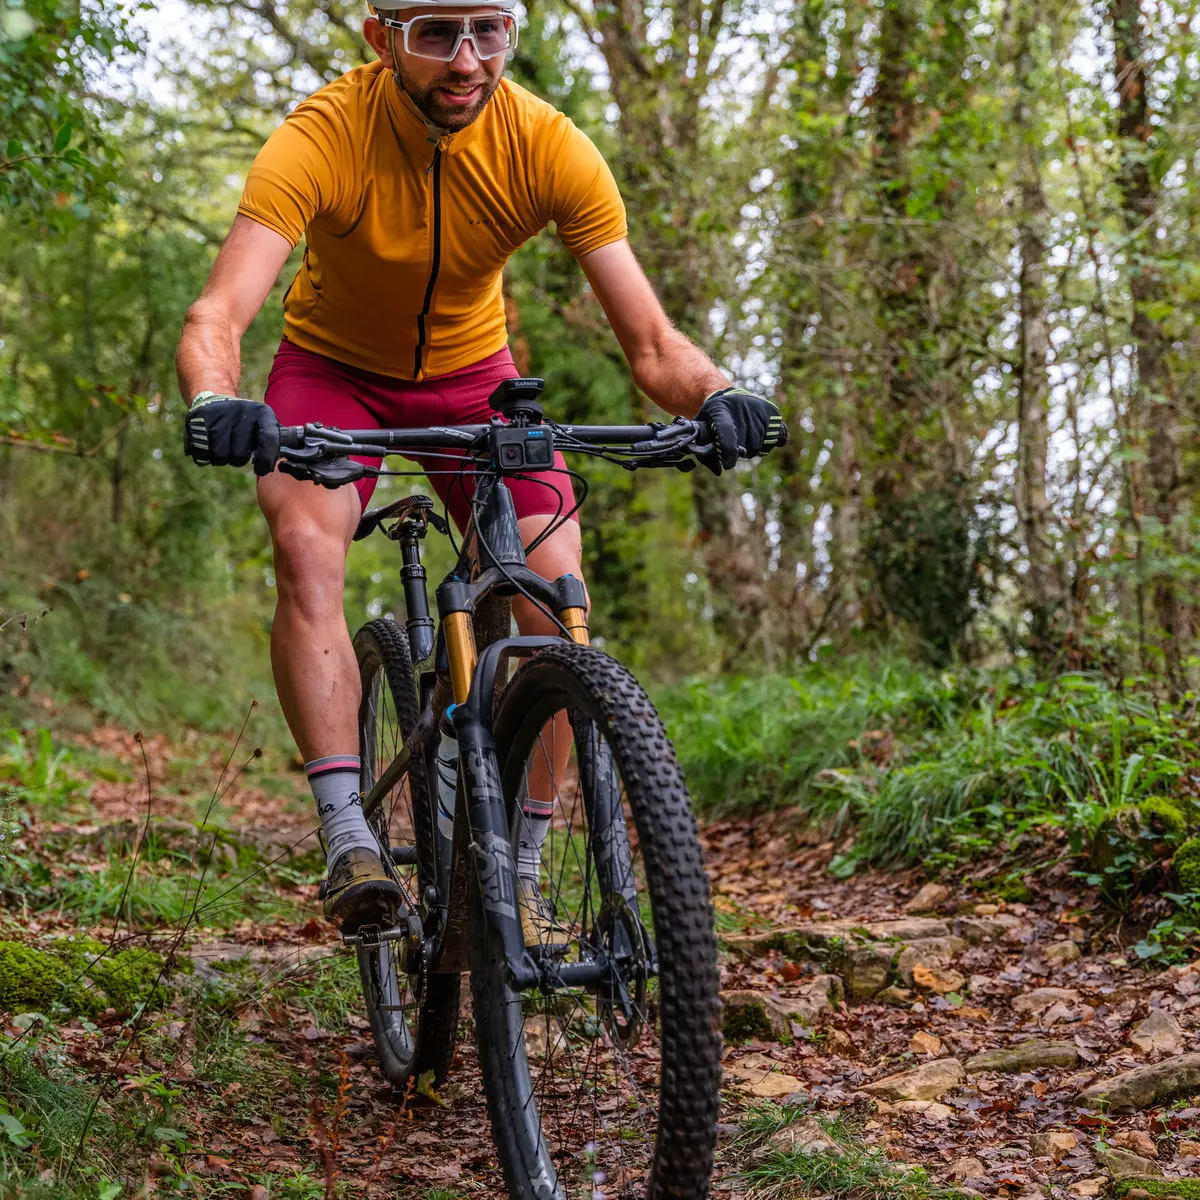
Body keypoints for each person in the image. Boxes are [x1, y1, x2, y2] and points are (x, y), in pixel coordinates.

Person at [174, 0, 783, 934]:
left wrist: (717, 393)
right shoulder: (322, 134)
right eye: (435, 34)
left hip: (475, 381)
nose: (466, 61)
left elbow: (654, 343)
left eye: (487, 31)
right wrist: (218, 400)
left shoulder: (547, 143)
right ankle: (350, 838)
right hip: (331, 374)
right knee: (306, 547)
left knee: (554, 595)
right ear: (382, 40)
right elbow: (218, 315)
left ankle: (524, 875)